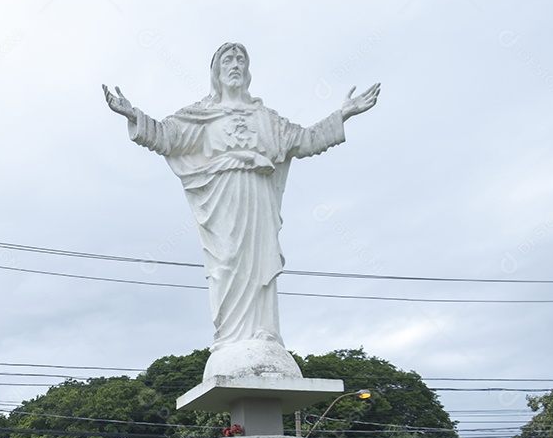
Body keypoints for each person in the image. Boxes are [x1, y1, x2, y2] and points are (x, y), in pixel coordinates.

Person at [104, 43, 379, 379]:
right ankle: (231, 339)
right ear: (216, 71)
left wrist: (343, 114)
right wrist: (135, 116)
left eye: (241, 60)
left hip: (259, 195)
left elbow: (304, 141)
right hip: (223, 199)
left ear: (247, 70)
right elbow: (167, 136)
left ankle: (265, 334)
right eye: (227, 59)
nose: (234, 65)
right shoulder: (202, 115)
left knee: (261, 262)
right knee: (228, 264)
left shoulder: (266, 118)